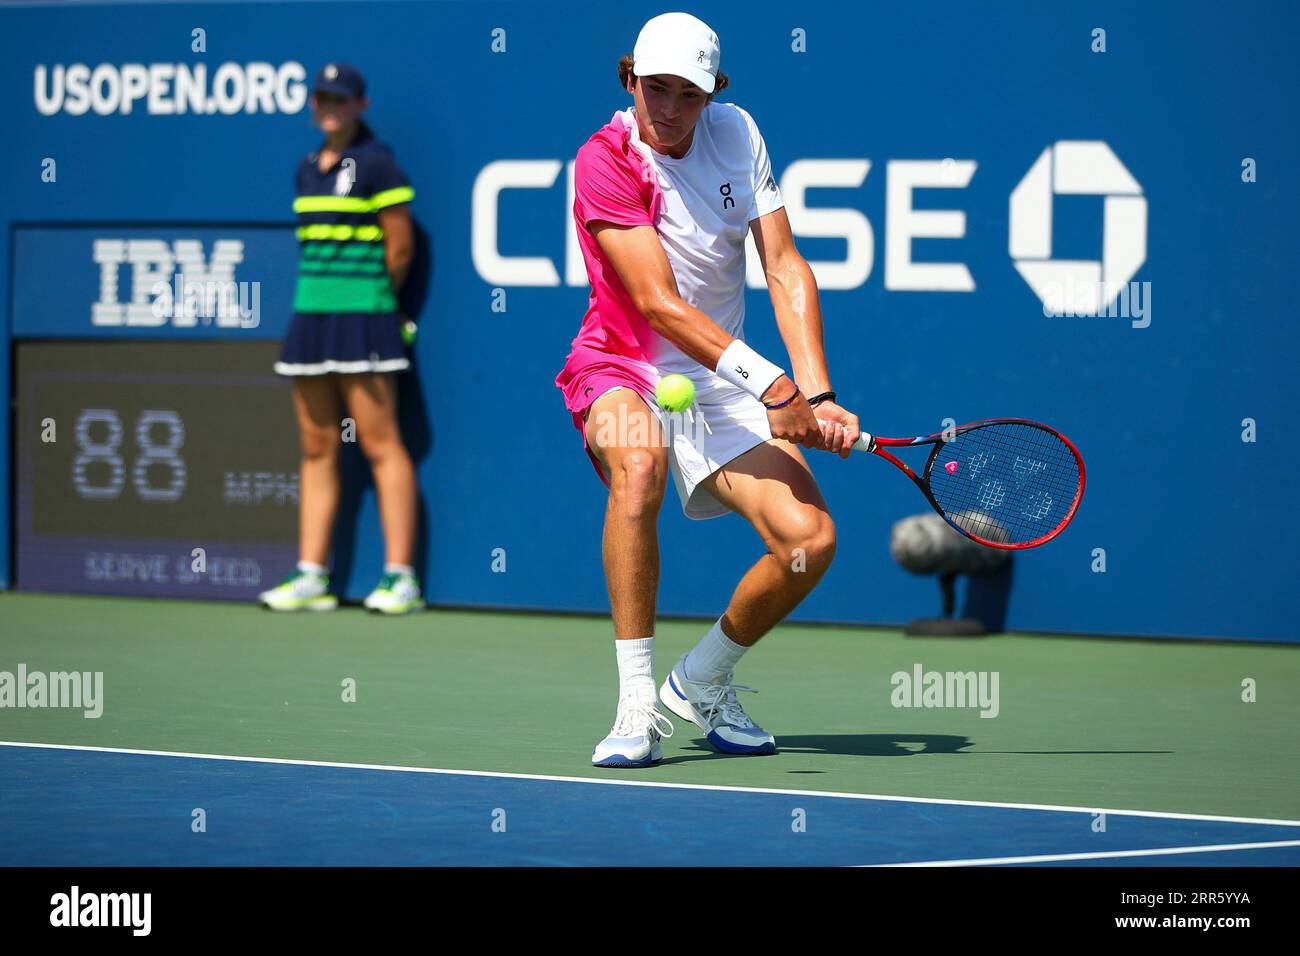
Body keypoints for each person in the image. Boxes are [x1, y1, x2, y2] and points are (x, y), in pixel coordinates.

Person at [556, 13, 861, 767]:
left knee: (809, 542)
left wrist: (816, 396)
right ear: (629, 80)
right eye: (652, 88)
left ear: (712, 94)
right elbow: (658, 305)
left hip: (718, 385)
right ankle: (634, 706)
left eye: (686, 95)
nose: (666, 108)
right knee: (639, 468)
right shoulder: (604, 160)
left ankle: (703, 681)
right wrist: (772, 383)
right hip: (622, 366)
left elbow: (784, 265)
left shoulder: (738, 134)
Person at [258, 63, 422, 615]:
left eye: (341, 99)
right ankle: (311, 574)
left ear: (359, 105)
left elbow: (399, 250)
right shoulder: (305, 169)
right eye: (322, 98)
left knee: (380, 443)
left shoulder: (379, 164)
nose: (330, 107)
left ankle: (400, 578)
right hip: (311, 318)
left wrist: (377, 305)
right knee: (316, 445)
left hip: (365, 319)